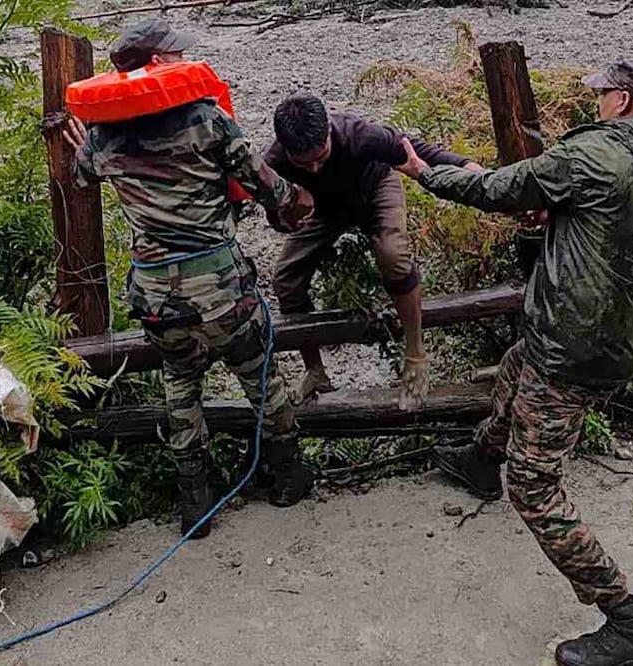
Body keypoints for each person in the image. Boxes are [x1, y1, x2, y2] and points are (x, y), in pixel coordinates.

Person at [394, 57, 633, 666]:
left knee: (535, 488)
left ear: (624, 102)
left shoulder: (592, 157)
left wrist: (421, 171)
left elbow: (494, 189)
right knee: (514, 368)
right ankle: (481, 459)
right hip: (614, 332)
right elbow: (618, 224)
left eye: (603, 92)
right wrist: (563, 211)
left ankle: (629, 621)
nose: (597, 101)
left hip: (574, 344)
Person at [63, 19, 317, 539]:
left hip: (157, 297)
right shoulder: (207, 119)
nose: (186, 61)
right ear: (157, 63)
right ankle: (287, 475)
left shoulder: (102, 136)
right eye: (177, 54)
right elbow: (267, 189)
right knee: (259, 373)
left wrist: (79, 145)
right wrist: (302, 203)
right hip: (220, 289)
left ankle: (194, 503)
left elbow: (82, 176)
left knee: (180, 384)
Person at [263, 93, 484, 410]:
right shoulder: (273, 163)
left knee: (392, 254)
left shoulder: (359, 135)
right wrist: (289, 213)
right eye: (304, 163)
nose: (313, 168)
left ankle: (416, 355)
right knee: (286, 278)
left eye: (320, 156)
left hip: (374, 190)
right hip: (324, 210)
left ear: (328, 132)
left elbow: (415, 150)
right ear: (285, 149)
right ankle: (314, 370)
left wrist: (465, 166)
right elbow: (276, 218)